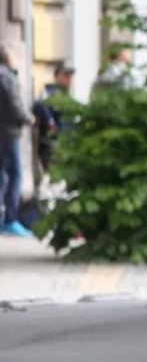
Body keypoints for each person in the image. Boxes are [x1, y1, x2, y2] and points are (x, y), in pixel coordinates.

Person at [0, 46, 36, 238]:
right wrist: (28, 118)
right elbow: (15, 105)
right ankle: (11, 219)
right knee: (14, 173)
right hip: (8, 132)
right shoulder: (6, 76)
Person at [33, 64, 73, 177]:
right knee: (52, 174)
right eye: (66, 76)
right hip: (52, 142)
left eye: (71, 76)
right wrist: (50, 122)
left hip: (65, 142)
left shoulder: (67, 95)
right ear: (57, 77)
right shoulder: (50, 92)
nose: (69, 79)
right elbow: (39, 105)